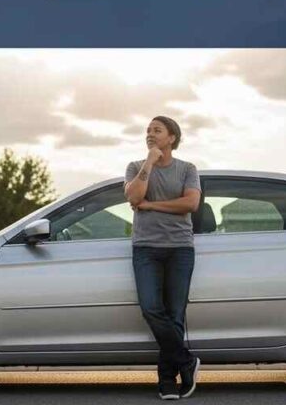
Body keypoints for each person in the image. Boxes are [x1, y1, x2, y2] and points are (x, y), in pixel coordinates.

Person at [124, 116, 202, 400]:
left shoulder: (187, 169)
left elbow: (190, 204)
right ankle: (186, 361)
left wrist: (152, 205)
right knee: (150, 308)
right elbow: (134, 198)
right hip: (146, 248)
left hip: (180, 249)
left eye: (157, 130)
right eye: (147, 130)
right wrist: (149, 163)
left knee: (175, 314)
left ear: (172, 137)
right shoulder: (136, 167)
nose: (150, 133)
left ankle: (167, 380)